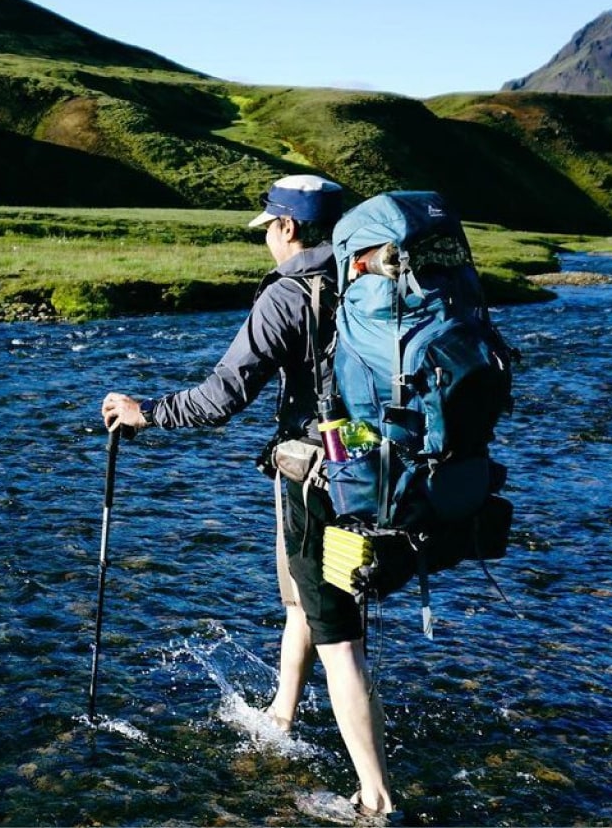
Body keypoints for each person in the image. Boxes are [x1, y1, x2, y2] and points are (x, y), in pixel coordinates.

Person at [100, 174, 400, 820]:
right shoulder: (371, 278)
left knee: (340, 636)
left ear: (288, 227)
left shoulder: (289, 294)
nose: (266, 237)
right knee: (308, 593)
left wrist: (145, 412)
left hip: (318, 473)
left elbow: (222, 397)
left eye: (268, 225)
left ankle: (376, 800)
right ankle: (283, 714)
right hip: (376, 462)